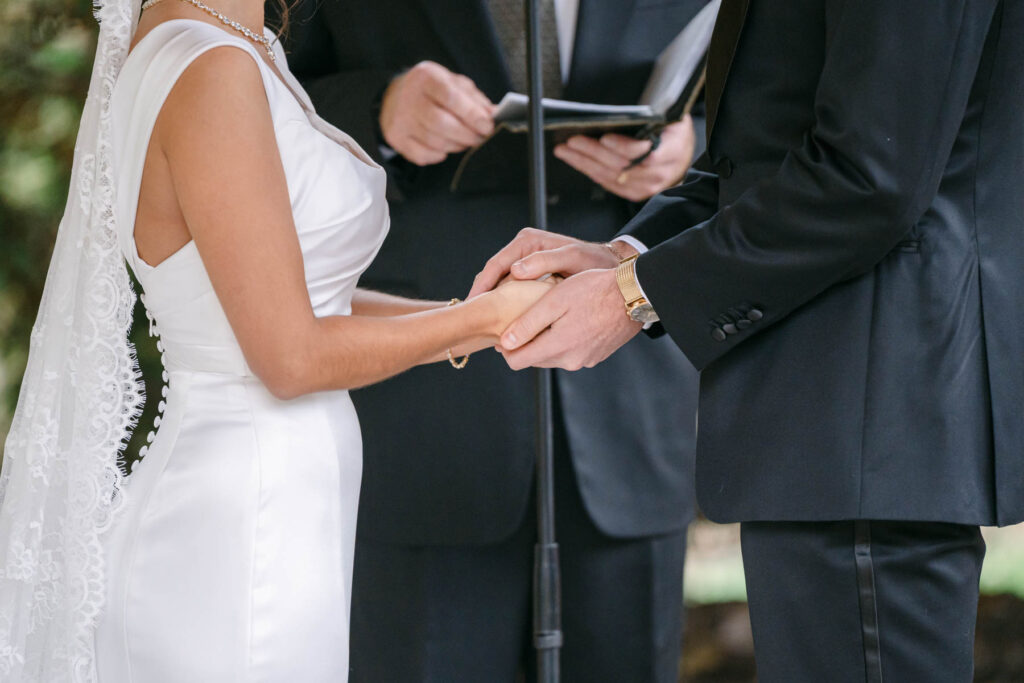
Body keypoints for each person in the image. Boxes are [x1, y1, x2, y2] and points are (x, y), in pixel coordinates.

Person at [472, 0, 1024, 681]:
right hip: (831, 428)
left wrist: (637, 295)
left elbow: (870, 177)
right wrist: (626, 254)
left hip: (872, 421)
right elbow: (772, 154)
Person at [0, 1, 552, 680]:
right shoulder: (209, 67)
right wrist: (486, 319)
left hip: (278, 502)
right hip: (239, 518)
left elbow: (306, 298)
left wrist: (473, 316)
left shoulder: (234, 43)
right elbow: (290, 358)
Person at [279, 1, 708, 680]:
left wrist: (691, 150)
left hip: (631, 399)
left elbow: (760, 102)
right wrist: (379, 109)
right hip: (426, 409)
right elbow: (266, 95)